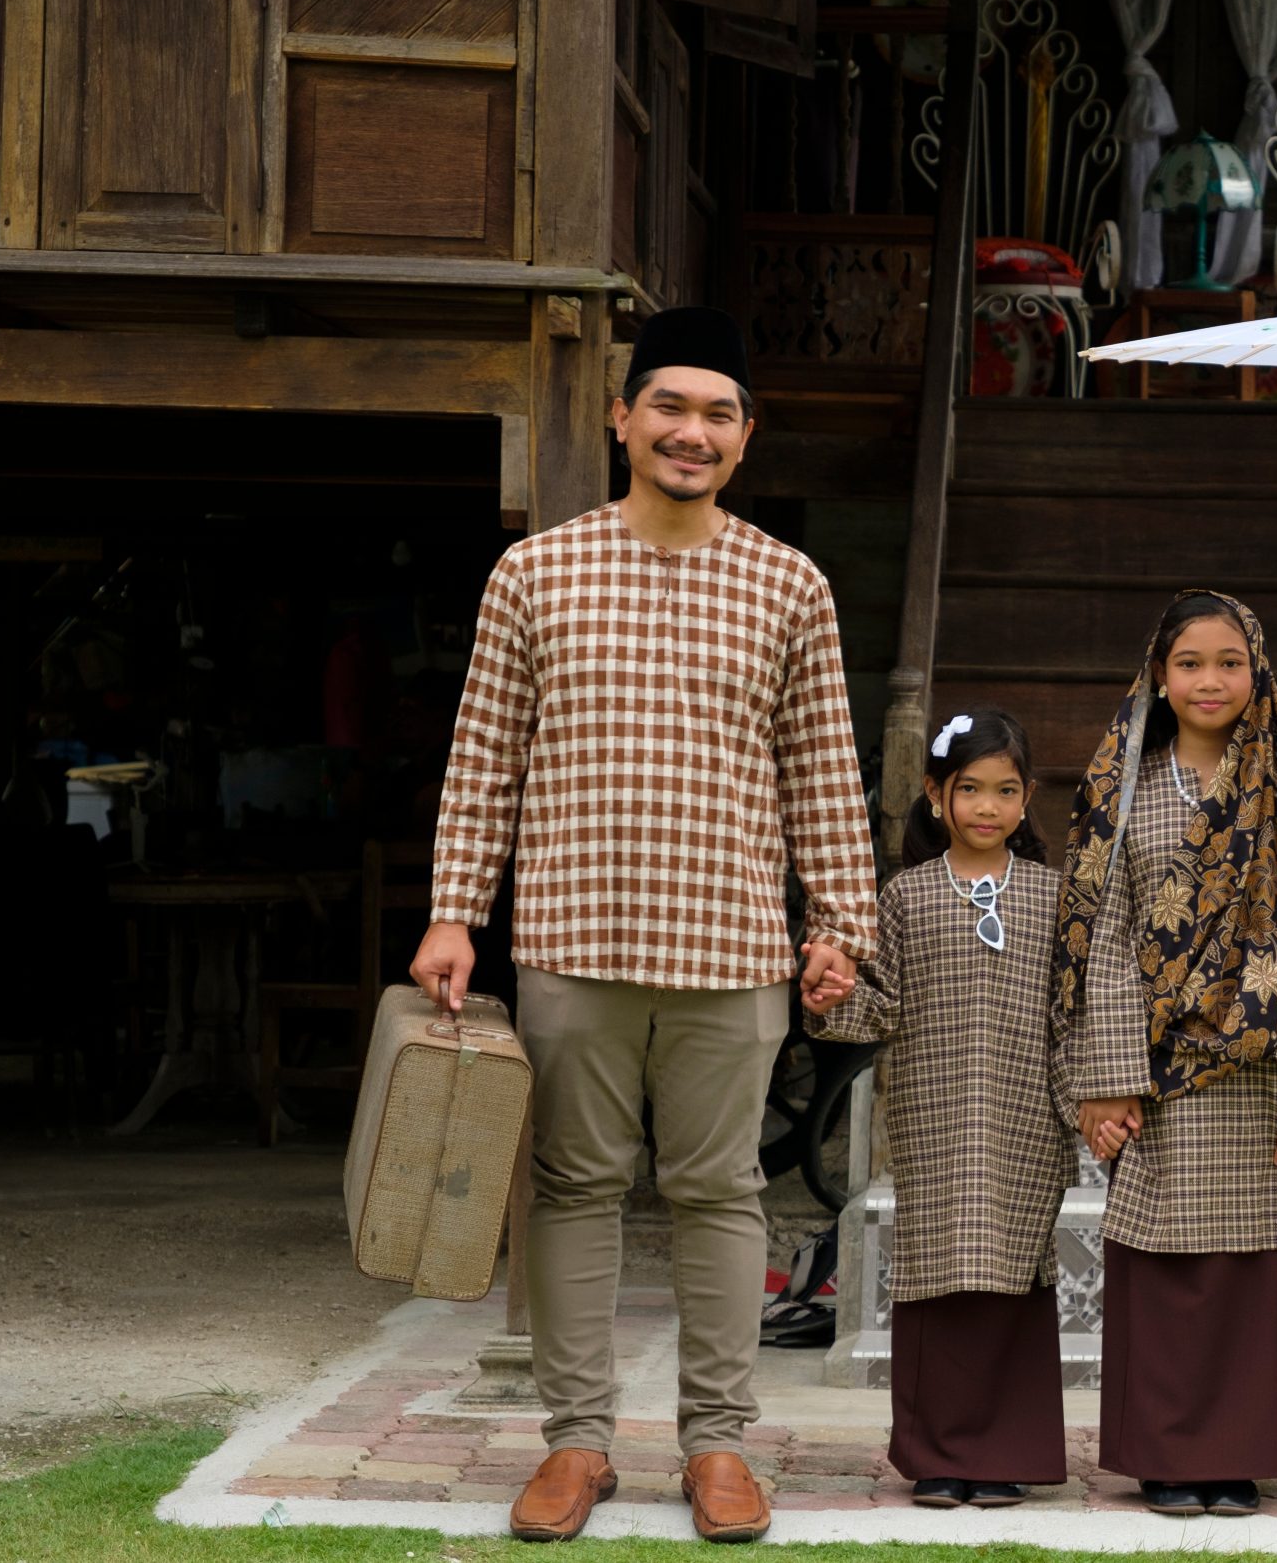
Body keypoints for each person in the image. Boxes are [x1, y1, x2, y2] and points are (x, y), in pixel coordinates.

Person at [410, 306, 877, 1545]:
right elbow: (483, 758)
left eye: (719, 414)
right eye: (669, 405)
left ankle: (717, 1447)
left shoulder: (790, 582)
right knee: (572, 1189)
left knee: (721, 1192)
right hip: (573, 936)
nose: (692, 431)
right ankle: (576, 1444)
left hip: (732, 946)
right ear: (622, 417)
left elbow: (822, 770)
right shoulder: (535, 573)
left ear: (746, 437)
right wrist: (455, 914)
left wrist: (840, 923)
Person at [1052, 590, 1277, 1519]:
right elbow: (1099, 933)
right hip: (1158, 1078)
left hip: (1258, 1073)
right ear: (1158, 676)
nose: (1209, 680)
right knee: (1164, 1263)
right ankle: (1167, 1455)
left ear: (1258, 672)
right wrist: (1108, 1081)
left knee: (1247, 1271)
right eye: (1189, 663)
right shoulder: (1121, 788)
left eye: (1229, 662)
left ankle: (1237, 1454)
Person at [802, 707, 1075, 1510]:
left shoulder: (1058, 898)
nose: (987, 806)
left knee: (1013, 1273)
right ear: (935, 794)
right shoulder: (905, 897)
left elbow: (1076, 1012)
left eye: (1005, 790)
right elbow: (878, 1007)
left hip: (1029, 1117)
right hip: (933, 1118)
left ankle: (1007, 1451)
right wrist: (831, 1000)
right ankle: (939, 1455)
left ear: (1027, 798)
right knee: (939, 1273)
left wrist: (1088, 1100)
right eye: (970, 789)